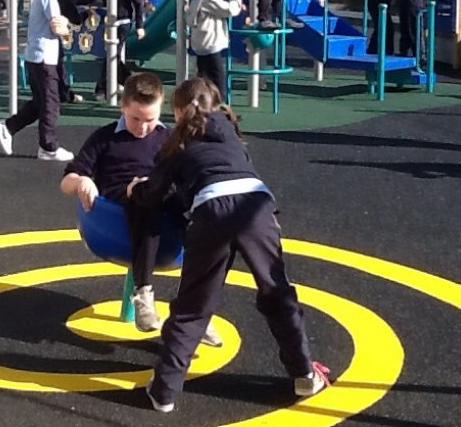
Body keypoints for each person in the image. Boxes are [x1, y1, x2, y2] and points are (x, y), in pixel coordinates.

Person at [128, 77, 330, 413]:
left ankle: (163, 391)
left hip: (212, 211)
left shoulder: (176, 145)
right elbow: (221, 171)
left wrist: (136, 189)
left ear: (177, 111)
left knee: (194, 306)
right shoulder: (230, 132)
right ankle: (304, 373)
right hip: (256, 207)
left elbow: (154, 195)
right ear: (216, 104)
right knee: (277, 293)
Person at [59, 72, 221, 347]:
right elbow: (67, 181)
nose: (144, 128)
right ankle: (143, 292)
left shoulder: (170, 139)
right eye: (135, 119)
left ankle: (194, 310)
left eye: (151, 119)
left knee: (203, 213)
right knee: (142, 199)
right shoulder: (105, 138)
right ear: (123, 107)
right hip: (116, 215)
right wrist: (82, 181)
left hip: (164, 209)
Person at [0, 0, 74, 162]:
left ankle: (8, 127)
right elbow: (57, 25)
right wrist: (67, 29)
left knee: (41, 101)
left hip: (40, 55)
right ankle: (48, 146)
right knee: (51, 102)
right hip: (43, 56)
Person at [75, 0, 145, 100]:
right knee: (113, 55)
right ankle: (129, 81)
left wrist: (139, 25)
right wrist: (74, 1)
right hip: (110, 21)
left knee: (112, 54)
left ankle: (102, 88)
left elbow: (138, 3)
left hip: (123, 21)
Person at [186, 0, 250, 95]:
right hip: (209, 43)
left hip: (202, 43)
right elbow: (228, 10)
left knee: (203, 78)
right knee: (218, 78)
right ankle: (221, 110)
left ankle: (198, 106)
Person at [55, 0, 84, 104]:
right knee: (58, 68)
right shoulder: (64, 0)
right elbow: (76, 19)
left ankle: (60, 93)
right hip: (53, 38)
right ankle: (64, 94)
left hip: (36, 39)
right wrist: (86, 14)